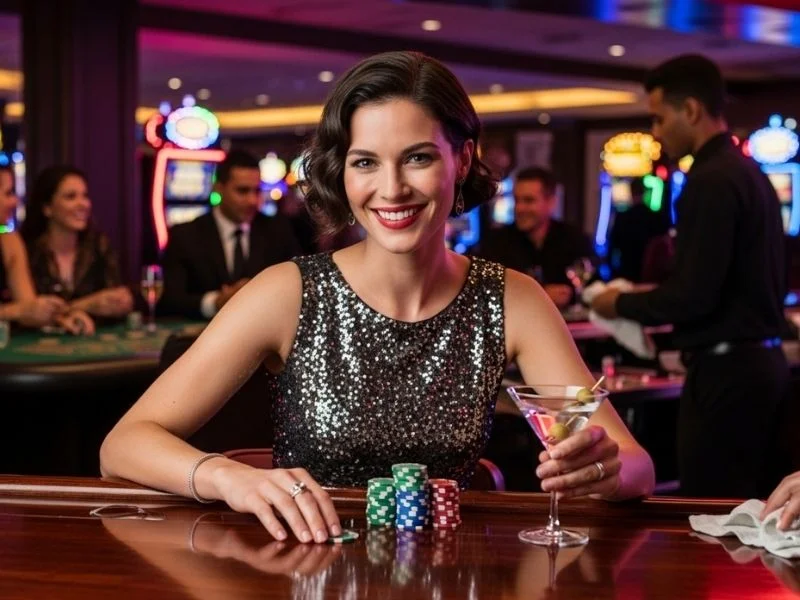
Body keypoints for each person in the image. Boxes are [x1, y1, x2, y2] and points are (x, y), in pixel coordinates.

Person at [101, 51, 654, 544]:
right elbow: (123, 445)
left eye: (418, 158)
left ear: (460, 161)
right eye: (366, 162)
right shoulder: (287, 292)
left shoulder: (514, 299)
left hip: (445, 575)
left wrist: (605, 470)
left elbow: (636, 465)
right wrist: (228, 477)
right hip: (305, 571)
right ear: (342, 172)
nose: (391, 189)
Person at [591, 54, 789, 498]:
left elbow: (694, 295)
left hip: (727, 373)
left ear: (692, 110)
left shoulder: (710, 178)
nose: (656, 134)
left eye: (659, 118)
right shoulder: (748, 171)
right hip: (760, 366)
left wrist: (616, 303)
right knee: (754, 508)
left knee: (712, 509)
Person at [159, 150, 302, 320]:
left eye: (256, 191)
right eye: (242, 191)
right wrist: (216, 302)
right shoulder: (185, 235)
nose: (252, 200)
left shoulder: (277, 230)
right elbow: (169, 300)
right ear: (219, 188)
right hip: (204, 336)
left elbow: (298, 284)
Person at [22, 165, 133, 327]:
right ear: (47, 208)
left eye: (85, 196)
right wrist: (89, 304)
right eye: (71, 197)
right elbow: (30, 312)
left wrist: (122, 301)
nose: (83, 204)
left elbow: (119, 300)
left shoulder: (99, 246)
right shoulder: (27, 251)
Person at [476, 167, 594, 309]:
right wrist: (541, 295)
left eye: (528, 200)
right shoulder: (497, 243)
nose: (519, 208)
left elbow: (592, 288)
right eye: (516, 200)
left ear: (551, 202)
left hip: (567, 327)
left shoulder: (574, 239)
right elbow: (482, 293)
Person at [0, 164, 90, 333]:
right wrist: (14, 311)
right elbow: (21, 310)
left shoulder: (10, 241)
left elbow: (30, 309)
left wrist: (65, 317)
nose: (15, 201)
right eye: (8, 193)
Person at [606, 177, 668, 283]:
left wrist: (611, 272)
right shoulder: (655, 217)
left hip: (626, 270)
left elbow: (612, 246)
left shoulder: (622, 217)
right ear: (645, 193)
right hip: (651, 274)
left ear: (631, 192)